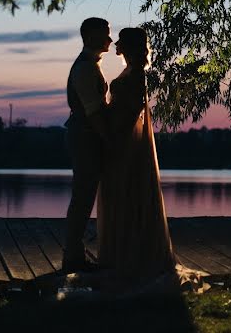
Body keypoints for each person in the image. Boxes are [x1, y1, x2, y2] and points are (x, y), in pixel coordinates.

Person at [96, 27, 176, 290]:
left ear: (129, 46)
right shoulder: (130, 71)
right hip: (120, 139)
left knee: (127, 193)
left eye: (121, 41)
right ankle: (119, 253)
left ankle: (129, 256)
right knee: (121, 195)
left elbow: (132, 111)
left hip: (125, 143)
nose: (116, 44)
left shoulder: (137, 74)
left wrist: (112, 134)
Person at [62, 17, 111, 273]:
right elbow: (93, 112)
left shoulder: (91, 66)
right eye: (106, 34)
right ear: (91, 35)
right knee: (82, 196)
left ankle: (75, 253)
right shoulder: (84, 69)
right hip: (84, 136)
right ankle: (72, 256)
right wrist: (110, 140)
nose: (110, 40)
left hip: (86, 135)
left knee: (84, 195)